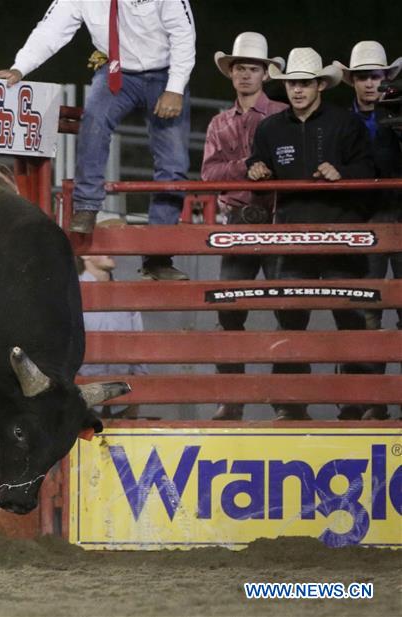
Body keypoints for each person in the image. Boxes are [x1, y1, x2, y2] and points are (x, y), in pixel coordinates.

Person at [0, 0, 196, 280]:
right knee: (94, 120)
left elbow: (183, 34)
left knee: (173, 162)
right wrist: (19, 68)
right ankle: (86, 205)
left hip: (165, 72)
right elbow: (51, 29)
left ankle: (158, 255)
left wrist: (175, 88)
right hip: (117, 71)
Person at [246, 47, 376, 421]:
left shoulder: (344, 124)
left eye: (304, 83)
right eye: (292, 84)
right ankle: (290, 404)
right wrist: (255, 166)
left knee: (348, 320)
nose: (297, 91)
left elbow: (368, 167)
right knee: (291, 318)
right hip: (291, 234)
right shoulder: (271, 128)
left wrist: (343, 174)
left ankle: (354, 403)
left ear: (320, 85)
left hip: (339, 233)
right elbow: (258, 160)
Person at [202, 33, 287, 420]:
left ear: (265, 74)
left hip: (275, 218)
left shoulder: (283, 116)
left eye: (252, 68)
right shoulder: (220, 122)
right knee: (229, 311)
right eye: (240, 69)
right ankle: (233, 397)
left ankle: (288, 398)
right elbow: (209, 174)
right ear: (232, 75)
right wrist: (247, 166)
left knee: (290, 310)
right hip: (240, 220)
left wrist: (253, 169)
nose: (246, 75)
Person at [335, 40, 402, 420]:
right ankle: (370, 401)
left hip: (391, 216)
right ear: (354, 82)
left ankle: (374, 400)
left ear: (384, 78)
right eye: (363, 77)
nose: (370, 84)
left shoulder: (393, 117)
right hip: (365, 220)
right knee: (367, 311)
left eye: (375, 76)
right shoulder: (342, 123)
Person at [76, 251, 147, 419]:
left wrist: (137, 398)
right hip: (82, 397)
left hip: (122, 399)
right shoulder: (72, 292)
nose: (111, 251)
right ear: (85, 255)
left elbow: (138, 345)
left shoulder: (126, 294)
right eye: (103, 246)